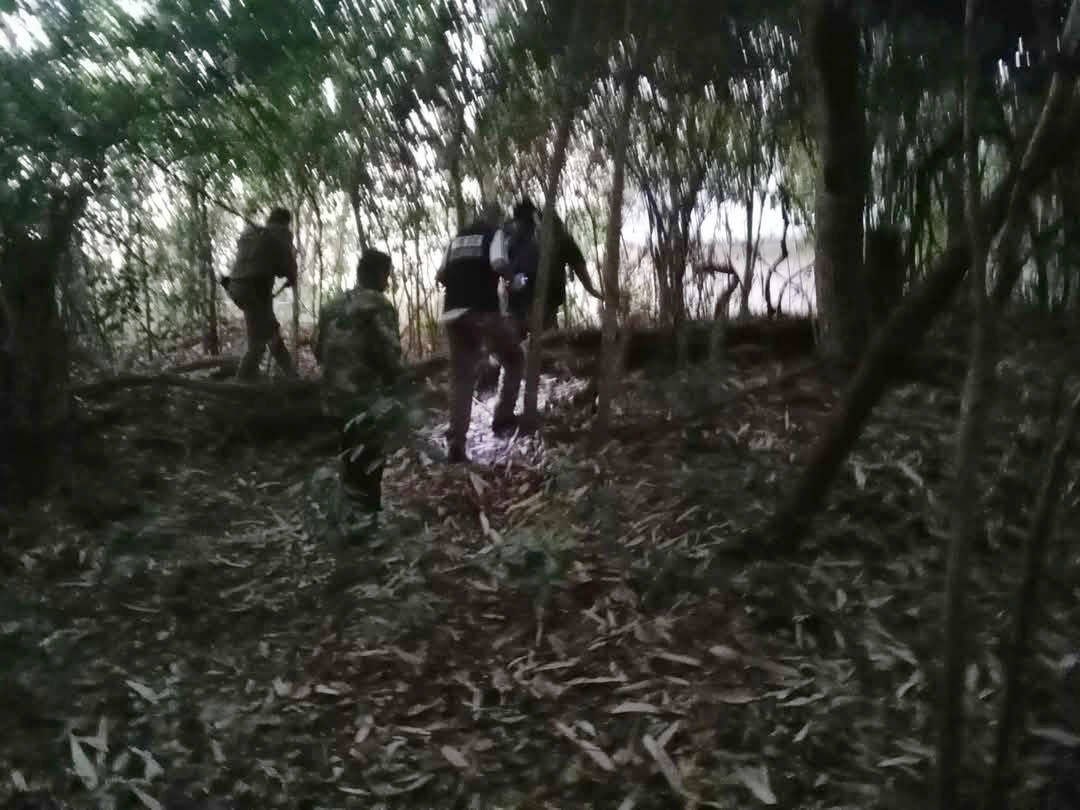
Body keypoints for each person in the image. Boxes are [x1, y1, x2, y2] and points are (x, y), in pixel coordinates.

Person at [314, 248, 404, 514]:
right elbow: (391, 357)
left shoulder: (332, 305)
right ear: (379, 274)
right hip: (364, 402)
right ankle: (367, 521)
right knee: (369, 467)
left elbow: (318, 350)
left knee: (349, 461)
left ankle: (349, 515)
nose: (387, 282)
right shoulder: (378, 305)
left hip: (332, 400)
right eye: (386, 275)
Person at [436, 202, 524, 464]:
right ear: (496, 219)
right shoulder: (493, 234)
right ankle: (503, 418)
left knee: (461, 377)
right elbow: (499, 262)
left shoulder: (455, 240)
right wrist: (512, 280)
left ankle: (457, 442)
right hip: (482, 312)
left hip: (452, 314)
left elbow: (441, 275)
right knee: (514, 358)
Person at [503, 198, 602, 336]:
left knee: (531, 340)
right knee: (546, 340)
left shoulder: (510, 235)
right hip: (538, 302)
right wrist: (592, 290)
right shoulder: (555, 235)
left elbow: (501, 268)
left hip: (526, 301)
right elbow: (579, 266)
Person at [224, 207, 298, 380]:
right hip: (254, 291)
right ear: (285, 223)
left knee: (265, 335)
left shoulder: (253, 233)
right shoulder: (280, 234)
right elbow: (285, 269)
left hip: (236, 287)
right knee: (261, 341)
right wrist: (291, 275)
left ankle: (282, 375)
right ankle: (241, 382)